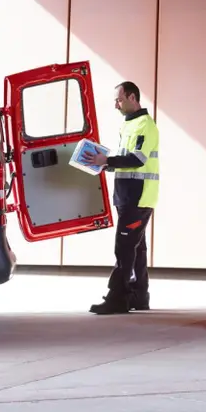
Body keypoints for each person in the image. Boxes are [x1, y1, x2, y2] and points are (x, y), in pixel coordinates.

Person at [80, 80, 159, 314]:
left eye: (119, 100)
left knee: (124, 247)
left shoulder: (145, 125)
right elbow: (127, 159)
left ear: (133, 98)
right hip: (127, 195)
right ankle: (138, 296)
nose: (116, 105)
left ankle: (117, 297)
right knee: (136, 248)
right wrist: (106, 164)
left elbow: (138, 159)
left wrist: (107, 160)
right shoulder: (129, 124)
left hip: (138, 197)